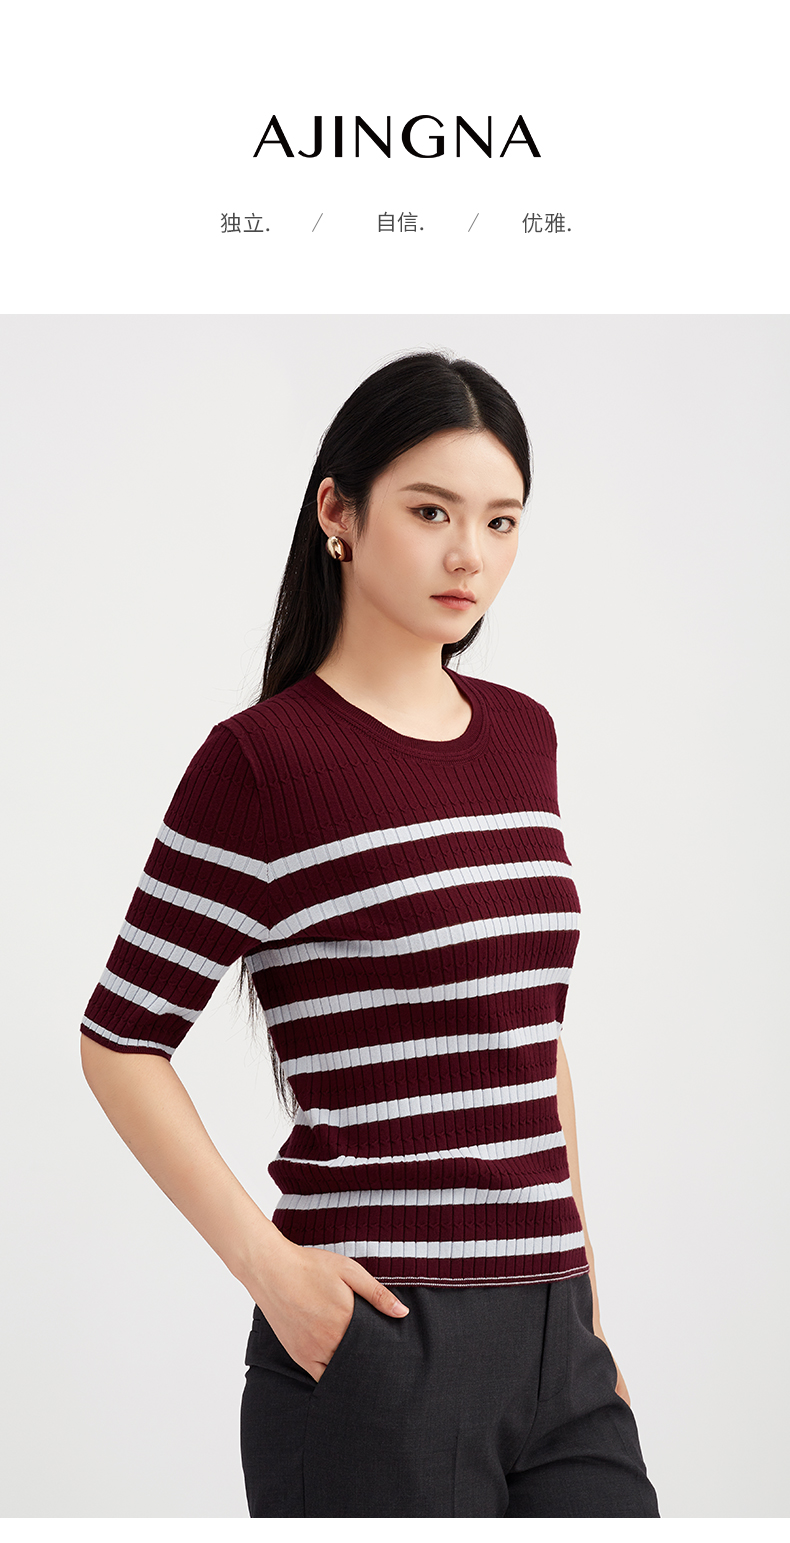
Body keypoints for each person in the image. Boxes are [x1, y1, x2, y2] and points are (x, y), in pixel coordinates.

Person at [80, 351, 660, 1518]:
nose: (469, 555)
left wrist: (586, 1300)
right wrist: (273, 1272)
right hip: (380, 1343)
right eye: (431, 512)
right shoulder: (262, 762)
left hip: (556, 1338)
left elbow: (529, 1035)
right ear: (336, 513)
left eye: (500, 520)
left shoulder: (522, 737)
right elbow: (118, 1039)